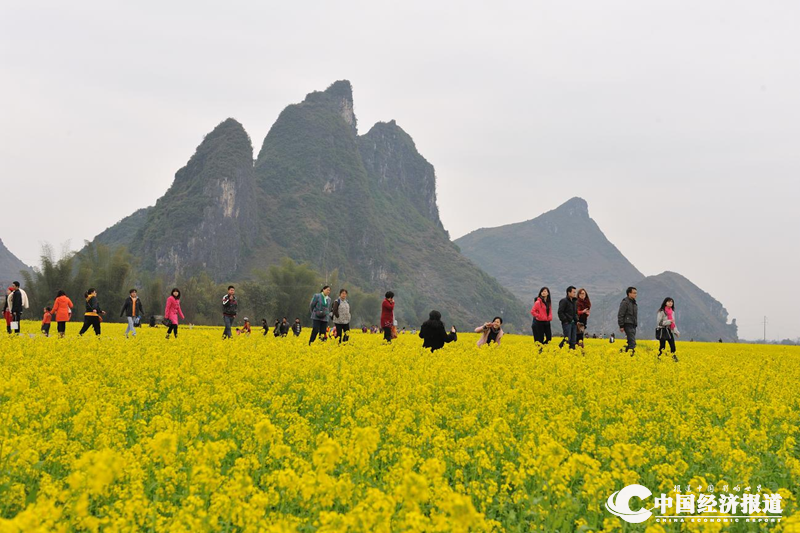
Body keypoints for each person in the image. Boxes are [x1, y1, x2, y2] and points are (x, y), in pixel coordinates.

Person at [656, 297, 679, 362]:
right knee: (662, 346)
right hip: (663, 330)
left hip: (669, 330)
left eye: (672, 302)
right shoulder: (661, 311)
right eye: (669, 301)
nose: (670, 303)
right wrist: (669, 322)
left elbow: (673, 323)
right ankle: (659, 358)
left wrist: (676, 332)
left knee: (673, 346)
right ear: (665, 303)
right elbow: (659, 323)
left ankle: (674, 357)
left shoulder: (672, 312)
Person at [617, 287, 638, 355]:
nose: (636, 294)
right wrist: (621, 326)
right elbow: (620, 314)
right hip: (627, 324)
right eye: (634, 293)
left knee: (630, 341)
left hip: (633, 324)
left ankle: (622, 353)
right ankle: (631, 356)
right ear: (629, 293)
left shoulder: (634, 303)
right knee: (632, 342)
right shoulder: (625, 302)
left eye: (636, 293)